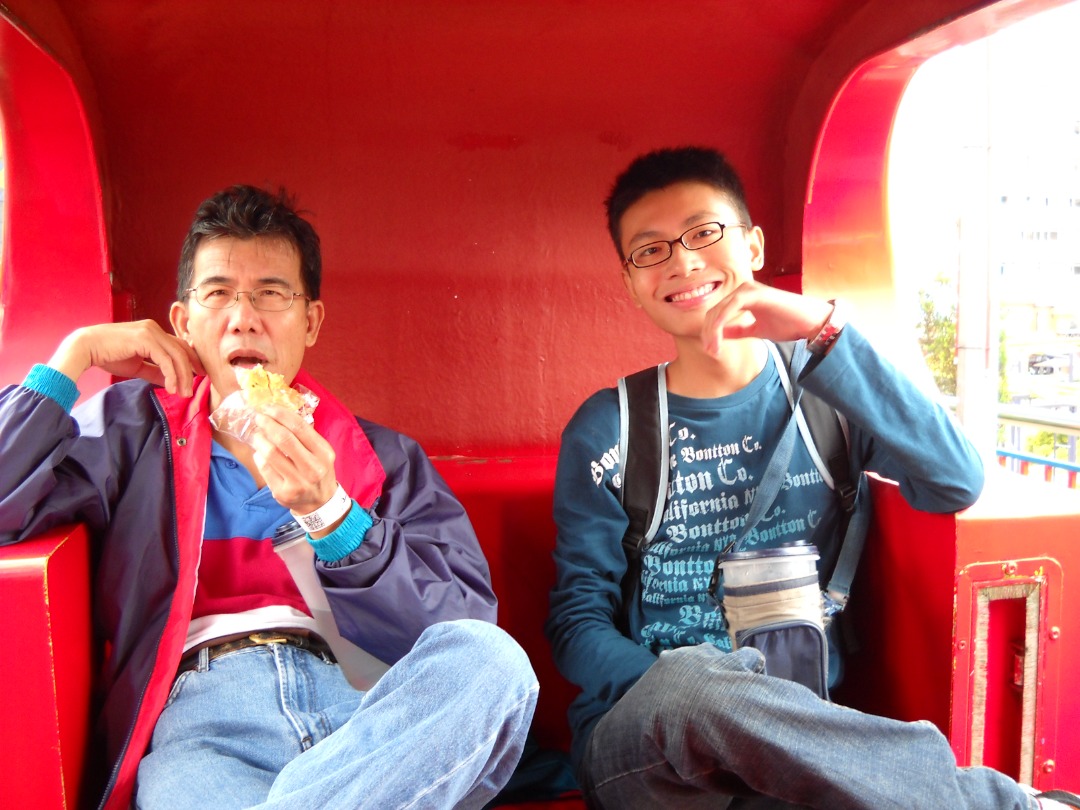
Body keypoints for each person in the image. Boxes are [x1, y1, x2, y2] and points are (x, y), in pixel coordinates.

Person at [544, 146, 1079, 810]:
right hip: (648, 749)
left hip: (801, 741)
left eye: (704, 233)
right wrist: (689, 693)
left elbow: (955, 479)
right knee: (693, 685)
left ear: (753, 247)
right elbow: (577, 620)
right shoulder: (611, 428)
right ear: (630, 283)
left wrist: (825, 331)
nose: (682, 262)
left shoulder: (829, 400)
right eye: (650, 250)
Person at [0, 185, 537, 810]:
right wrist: (75, 357)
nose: (243, 317)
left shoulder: (384, 458)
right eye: (218, 293)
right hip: (205, 720)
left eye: (271, 294)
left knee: (493, 662)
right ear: (184, 322)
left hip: (366, 720)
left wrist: (333, 517)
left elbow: (458, 625)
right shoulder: (132, 432)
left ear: (310, 322)